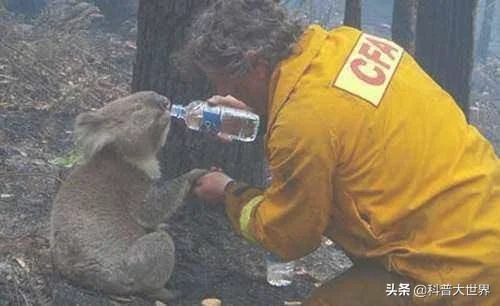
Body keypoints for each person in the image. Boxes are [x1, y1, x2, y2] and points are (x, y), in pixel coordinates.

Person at [174, 0, 500, 305]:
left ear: (257, 66)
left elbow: (289, 236)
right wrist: (269, 113)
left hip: (455, 276)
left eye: (223, 82)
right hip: (484, 227)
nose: (221, 93)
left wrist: (230, 192)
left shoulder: (302, 122)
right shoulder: (350, 44)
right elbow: (340, 127)